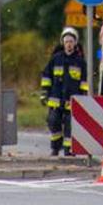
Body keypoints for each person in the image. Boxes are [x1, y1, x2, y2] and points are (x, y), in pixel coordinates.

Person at [39, 27, 87, 157]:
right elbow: (46, 76)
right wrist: (44, 93)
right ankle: (55, 147)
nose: (69, 44)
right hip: (55, 100)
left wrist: (83, 98)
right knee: (53, 122)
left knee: (70, 126)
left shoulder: (80, 62)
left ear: (75, 43)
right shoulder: (55, 59)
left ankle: (68, 150)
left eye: (71, 41)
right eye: (66, 41)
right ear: (63, 43)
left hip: (72, 101)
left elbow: (84, 82)